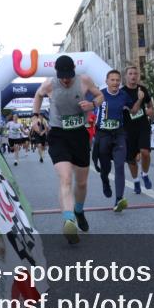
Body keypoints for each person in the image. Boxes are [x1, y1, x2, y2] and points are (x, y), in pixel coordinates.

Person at [31, 55, 103, 244]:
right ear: (57, 73)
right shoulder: (49, 84)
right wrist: (34, 117)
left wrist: (93, 104)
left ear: (74, 71)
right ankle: (68, 220)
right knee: (65, 178)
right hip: (58, 135)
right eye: (62, 76)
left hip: (79, 135)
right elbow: (38, 95)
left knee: (81, 183)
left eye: (68, 76)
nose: (65, 79)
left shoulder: (84, 80)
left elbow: (100, 95)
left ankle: (78, 210)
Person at [93, 69, 131, 212]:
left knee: (120, 165)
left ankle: (119, 199)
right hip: (103, 135)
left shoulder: (123, 95)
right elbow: (86, 104)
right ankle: (105, 182)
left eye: (117, 80)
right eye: (112, 80)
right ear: (107, 81)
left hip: (119, 134)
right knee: (105, 168)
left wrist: (140, 100)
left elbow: (132, 110)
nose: (115, 82)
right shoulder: (99, 94)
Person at [122, 65, 154, 193]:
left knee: (145, 152)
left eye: (135, 73)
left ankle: (145, 175)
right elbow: (133, 111)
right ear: (126, 76)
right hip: (128, 129)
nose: (133, 76)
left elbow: (150, 106)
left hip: (143, 126)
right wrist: (140, 99)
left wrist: (151, 111)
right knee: (131, 159)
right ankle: (135, 181)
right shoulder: (122, 92)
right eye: (130, 73)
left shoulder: (143, 89)